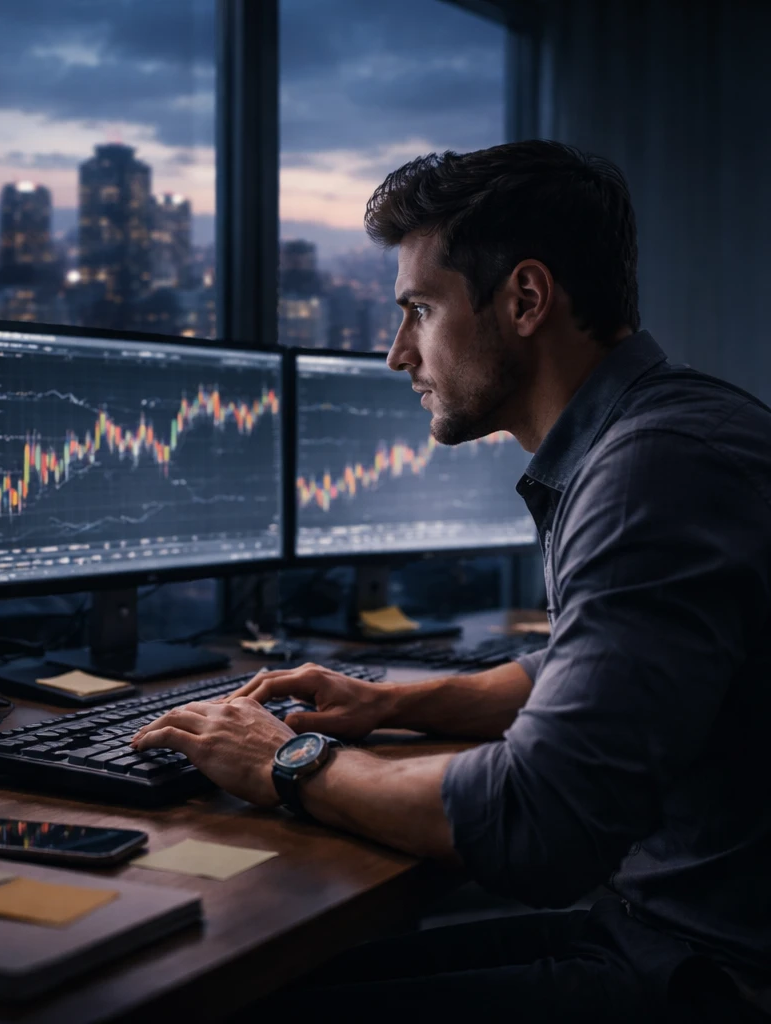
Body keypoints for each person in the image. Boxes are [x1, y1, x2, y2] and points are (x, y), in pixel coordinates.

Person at [131, 140, 771, 1022]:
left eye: (419, 310)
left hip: (711, 977)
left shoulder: (650, 471)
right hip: (665, 932)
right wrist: (393, 704)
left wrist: (286, 758)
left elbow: (539, 822)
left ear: (525, 299)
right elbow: (593, 675)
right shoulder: (665, 429)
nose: (399, 353)